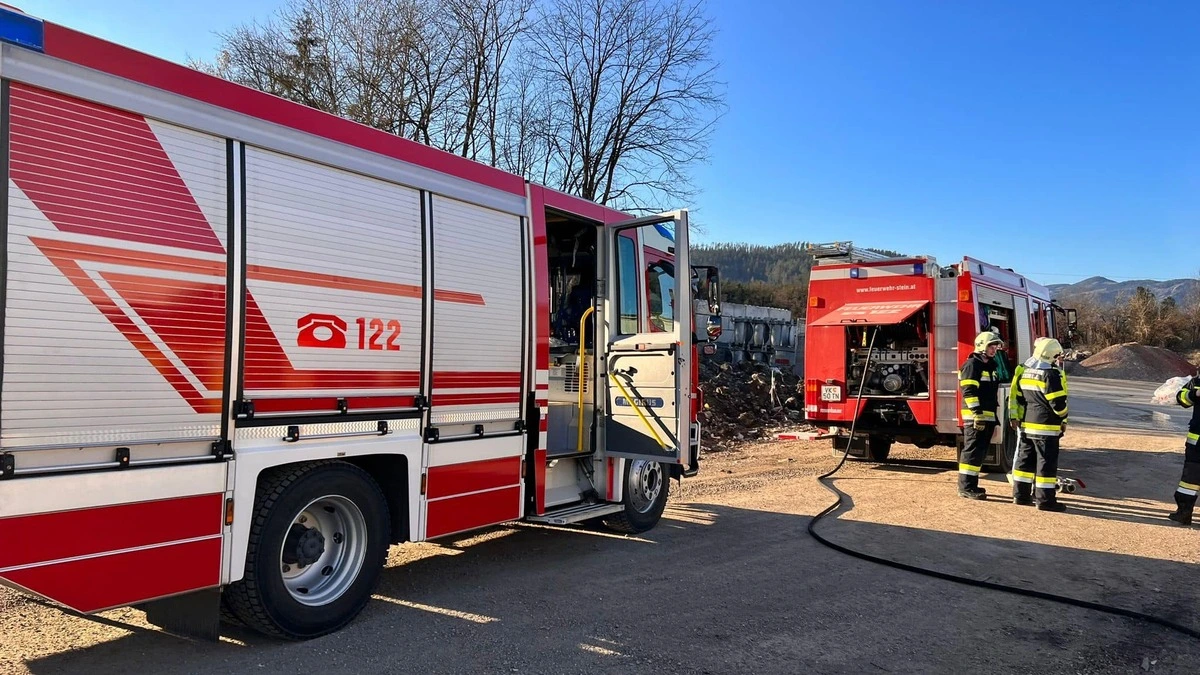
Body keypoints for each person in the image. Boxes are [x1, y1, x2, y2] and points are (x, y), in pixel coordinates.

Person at [1010, 338, 1069, 511]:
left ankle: (1020, 496)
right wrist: (1064, 418)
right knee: (1046, 464)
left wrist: (1015, 417)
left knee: (1025, 461)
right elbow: (1058, 404)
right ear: (1052, 355)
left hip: (1027, 424)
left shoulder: (1025, 370)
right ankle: (1045, 501)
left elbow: (1018, 397)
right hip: (1047, 427)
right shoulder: (1051, 374)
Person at [958, 331, 1004, 500]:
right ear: (982, 347)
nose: (994, 350)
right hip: (975, 417)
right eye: (991, 346)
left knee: (980, 452)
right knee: (972, 451)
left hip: (987, 416)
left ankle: (972, 485)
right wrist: (977, 414)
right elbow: (969, 392)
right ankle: (966, 487)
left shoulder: (990, 366)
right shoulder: (972, 365)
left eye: (995, 346)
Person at [1168, 375, 1200, 525]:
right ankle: (1184, 512)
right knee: (1189, 479)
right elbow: (1181, 399)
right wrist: (1194, 394)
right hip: (1197, 440)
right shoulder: (1196, 381)